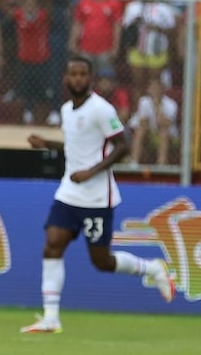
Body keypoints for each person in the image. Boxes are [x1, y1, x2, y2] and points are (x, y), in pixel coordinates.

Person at [22, 57, 175, 333]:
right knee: (52, 244)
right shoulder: (67, 109)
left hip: (96, 197)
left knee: (101, 261)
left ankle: (152, 268)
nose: (78, 79)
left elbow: (122, 146)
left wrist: (91, 172)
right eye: (73, 74)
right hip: (69, 192)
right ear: (65, 79)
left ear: (90, 78)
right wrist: (47, 144)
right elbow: (75, 146)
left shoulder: (101, 110)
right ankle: (51, 317)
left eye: (83, 74)